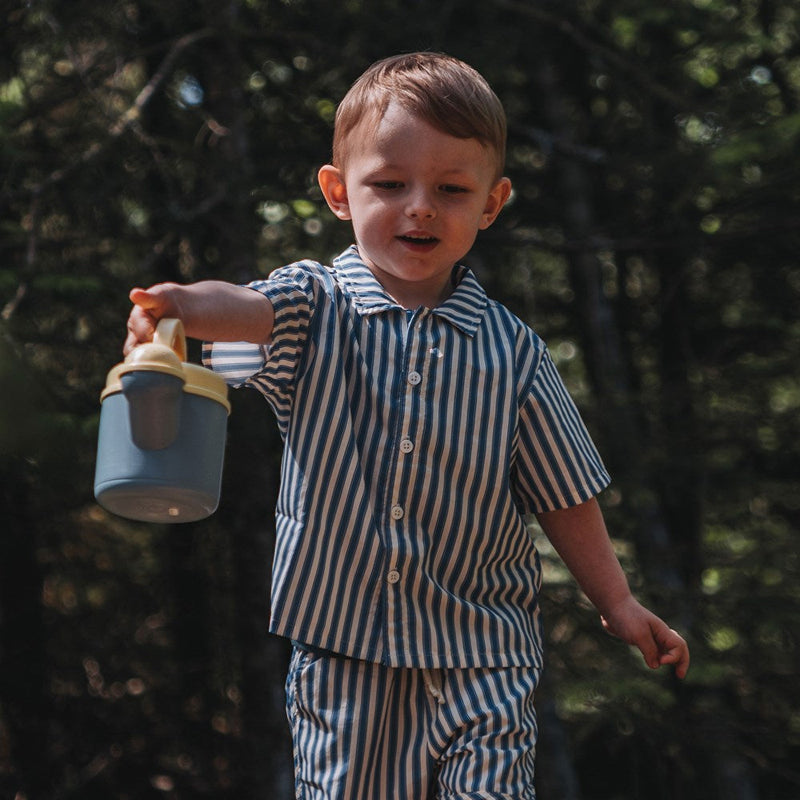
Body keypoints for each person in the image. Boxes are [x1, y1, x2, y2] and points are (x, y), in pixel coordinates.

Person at [124, 52, 689, 800]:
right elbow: (246, 309)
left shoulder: (513, 352)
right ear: (339, 192)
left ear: (491, 204)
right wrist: (181, 304)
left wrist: (616, 602)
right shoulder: (313, 306)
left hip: (482, 653)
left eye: (451, 189)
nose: (420, 207)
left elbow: (564, 491)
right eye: (390, 185)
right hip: (344, 655)